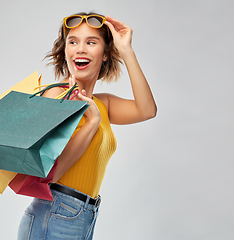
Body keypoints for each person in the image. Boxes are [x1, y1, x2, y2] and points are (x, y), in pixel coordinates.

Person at [17, 12, 157, 240]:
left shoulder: (103, 104)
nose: (80, 49)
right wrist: (91, 123)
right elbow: (48, 176)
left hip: (85, 215)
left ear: (104, 55)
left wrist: (126, 51)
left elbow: (147, 110)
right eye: (73, 42)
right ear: (65, 50)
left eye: (91, 42)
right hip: (54, 214)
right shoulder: (56, 96)